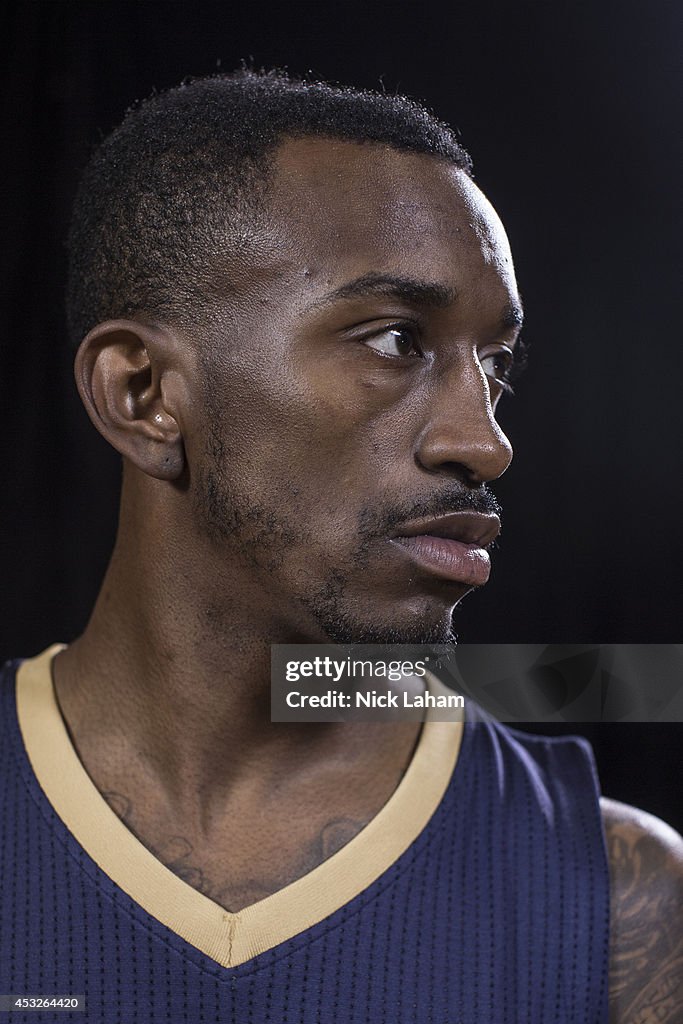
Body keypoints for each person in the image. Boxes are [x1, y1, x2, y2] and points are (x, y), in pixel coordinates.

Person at [1, 70, 681, 1023]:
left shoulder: (629, 897)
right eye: (396, 340)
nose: (484, 442)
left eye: (494, 366)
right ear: (144, 395)